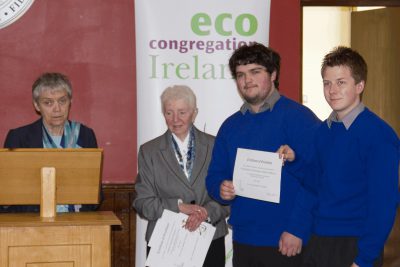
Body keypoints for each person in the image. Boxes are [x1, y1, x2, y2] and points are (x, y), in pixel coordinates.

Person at [280, 46, 400, 267]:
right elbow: (315, 185)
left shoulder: (379, 135)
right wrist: (294, 161)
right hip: (318, 241)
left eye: (341, 82)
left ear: (360, 85)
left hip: (354, 246)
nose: (332, 90)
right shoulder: (322, 132)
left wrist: (364, 259)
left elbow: (383, 204)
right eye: (327, 83)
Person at [205, 43, 321, 267]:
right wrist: (221, 188)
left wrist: (298, 228)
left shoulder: (300, 119)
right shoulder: (230, 126)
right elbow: (214, 176)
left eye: (255, 72)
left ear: (273, 74)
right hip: (244, 239)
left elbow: (317, 179)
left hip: (288, 239)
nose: (247, 80)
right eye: (241, 75)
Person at [133, 85, 230, 267]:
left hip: (209, 239)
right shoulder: (149, 151)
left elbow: (227, 197)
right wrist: (179, 207)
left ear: (194, 113)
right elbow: (142, 203)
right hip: (165, 242)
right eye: (169, 113)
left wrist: (206, 212)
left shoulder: (216, 145)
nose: (175, 119)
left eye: (182, 112)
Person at [2, 72, 99, 213]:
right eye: (48, 103)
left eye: (62, 101)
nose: (57, 109)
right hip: (32, 221)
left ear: (70, 101)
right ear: (36, 105)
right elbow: (8, 191)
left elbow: (94, 188)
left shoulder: (84, 135)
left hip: (76, 219)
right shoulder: (19, 138)